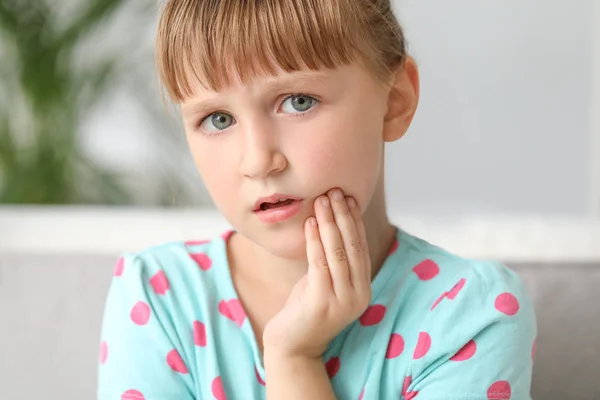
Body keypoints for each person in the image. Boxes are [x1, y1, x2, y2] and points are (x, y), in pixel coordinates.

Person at [97, 1, 537, 399]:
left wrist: (294, 360)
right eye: (218, 118)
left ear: (395, 102)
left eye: (298, 101)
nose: (258, 160)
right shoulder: (158, 299)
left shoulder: (471, 317)